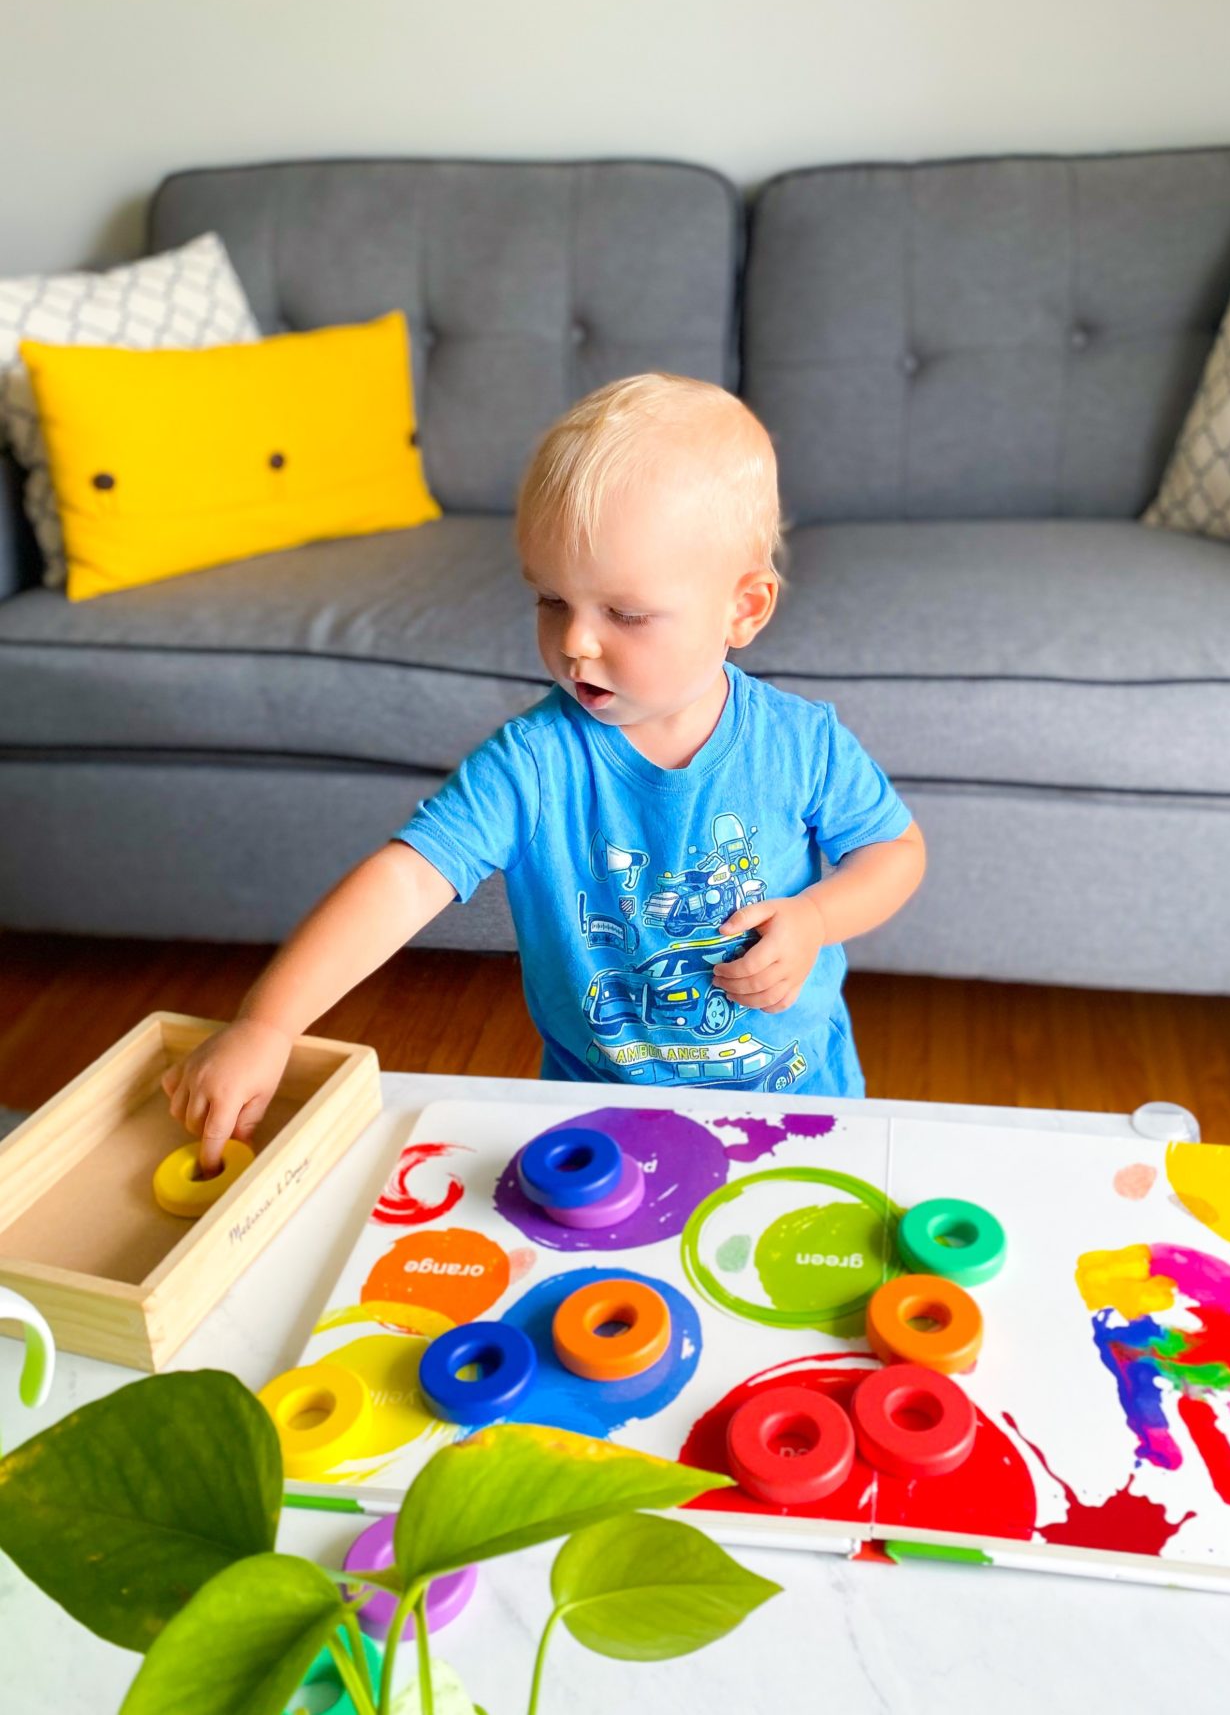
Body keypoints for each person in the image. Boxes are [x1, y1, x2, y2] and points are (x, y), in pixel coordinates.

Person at [164, 373, 926, 1171]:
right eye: (551, 601)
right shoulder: (532, 763)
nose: (576, 643)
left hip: (797, 1105)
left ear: (744, 608)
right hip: (597, 1110)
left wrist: (815, 918)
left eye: (623, 614)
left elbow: (895, 853)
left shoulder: (801, 743)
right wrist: (267, 1022)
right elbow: (404, 880)